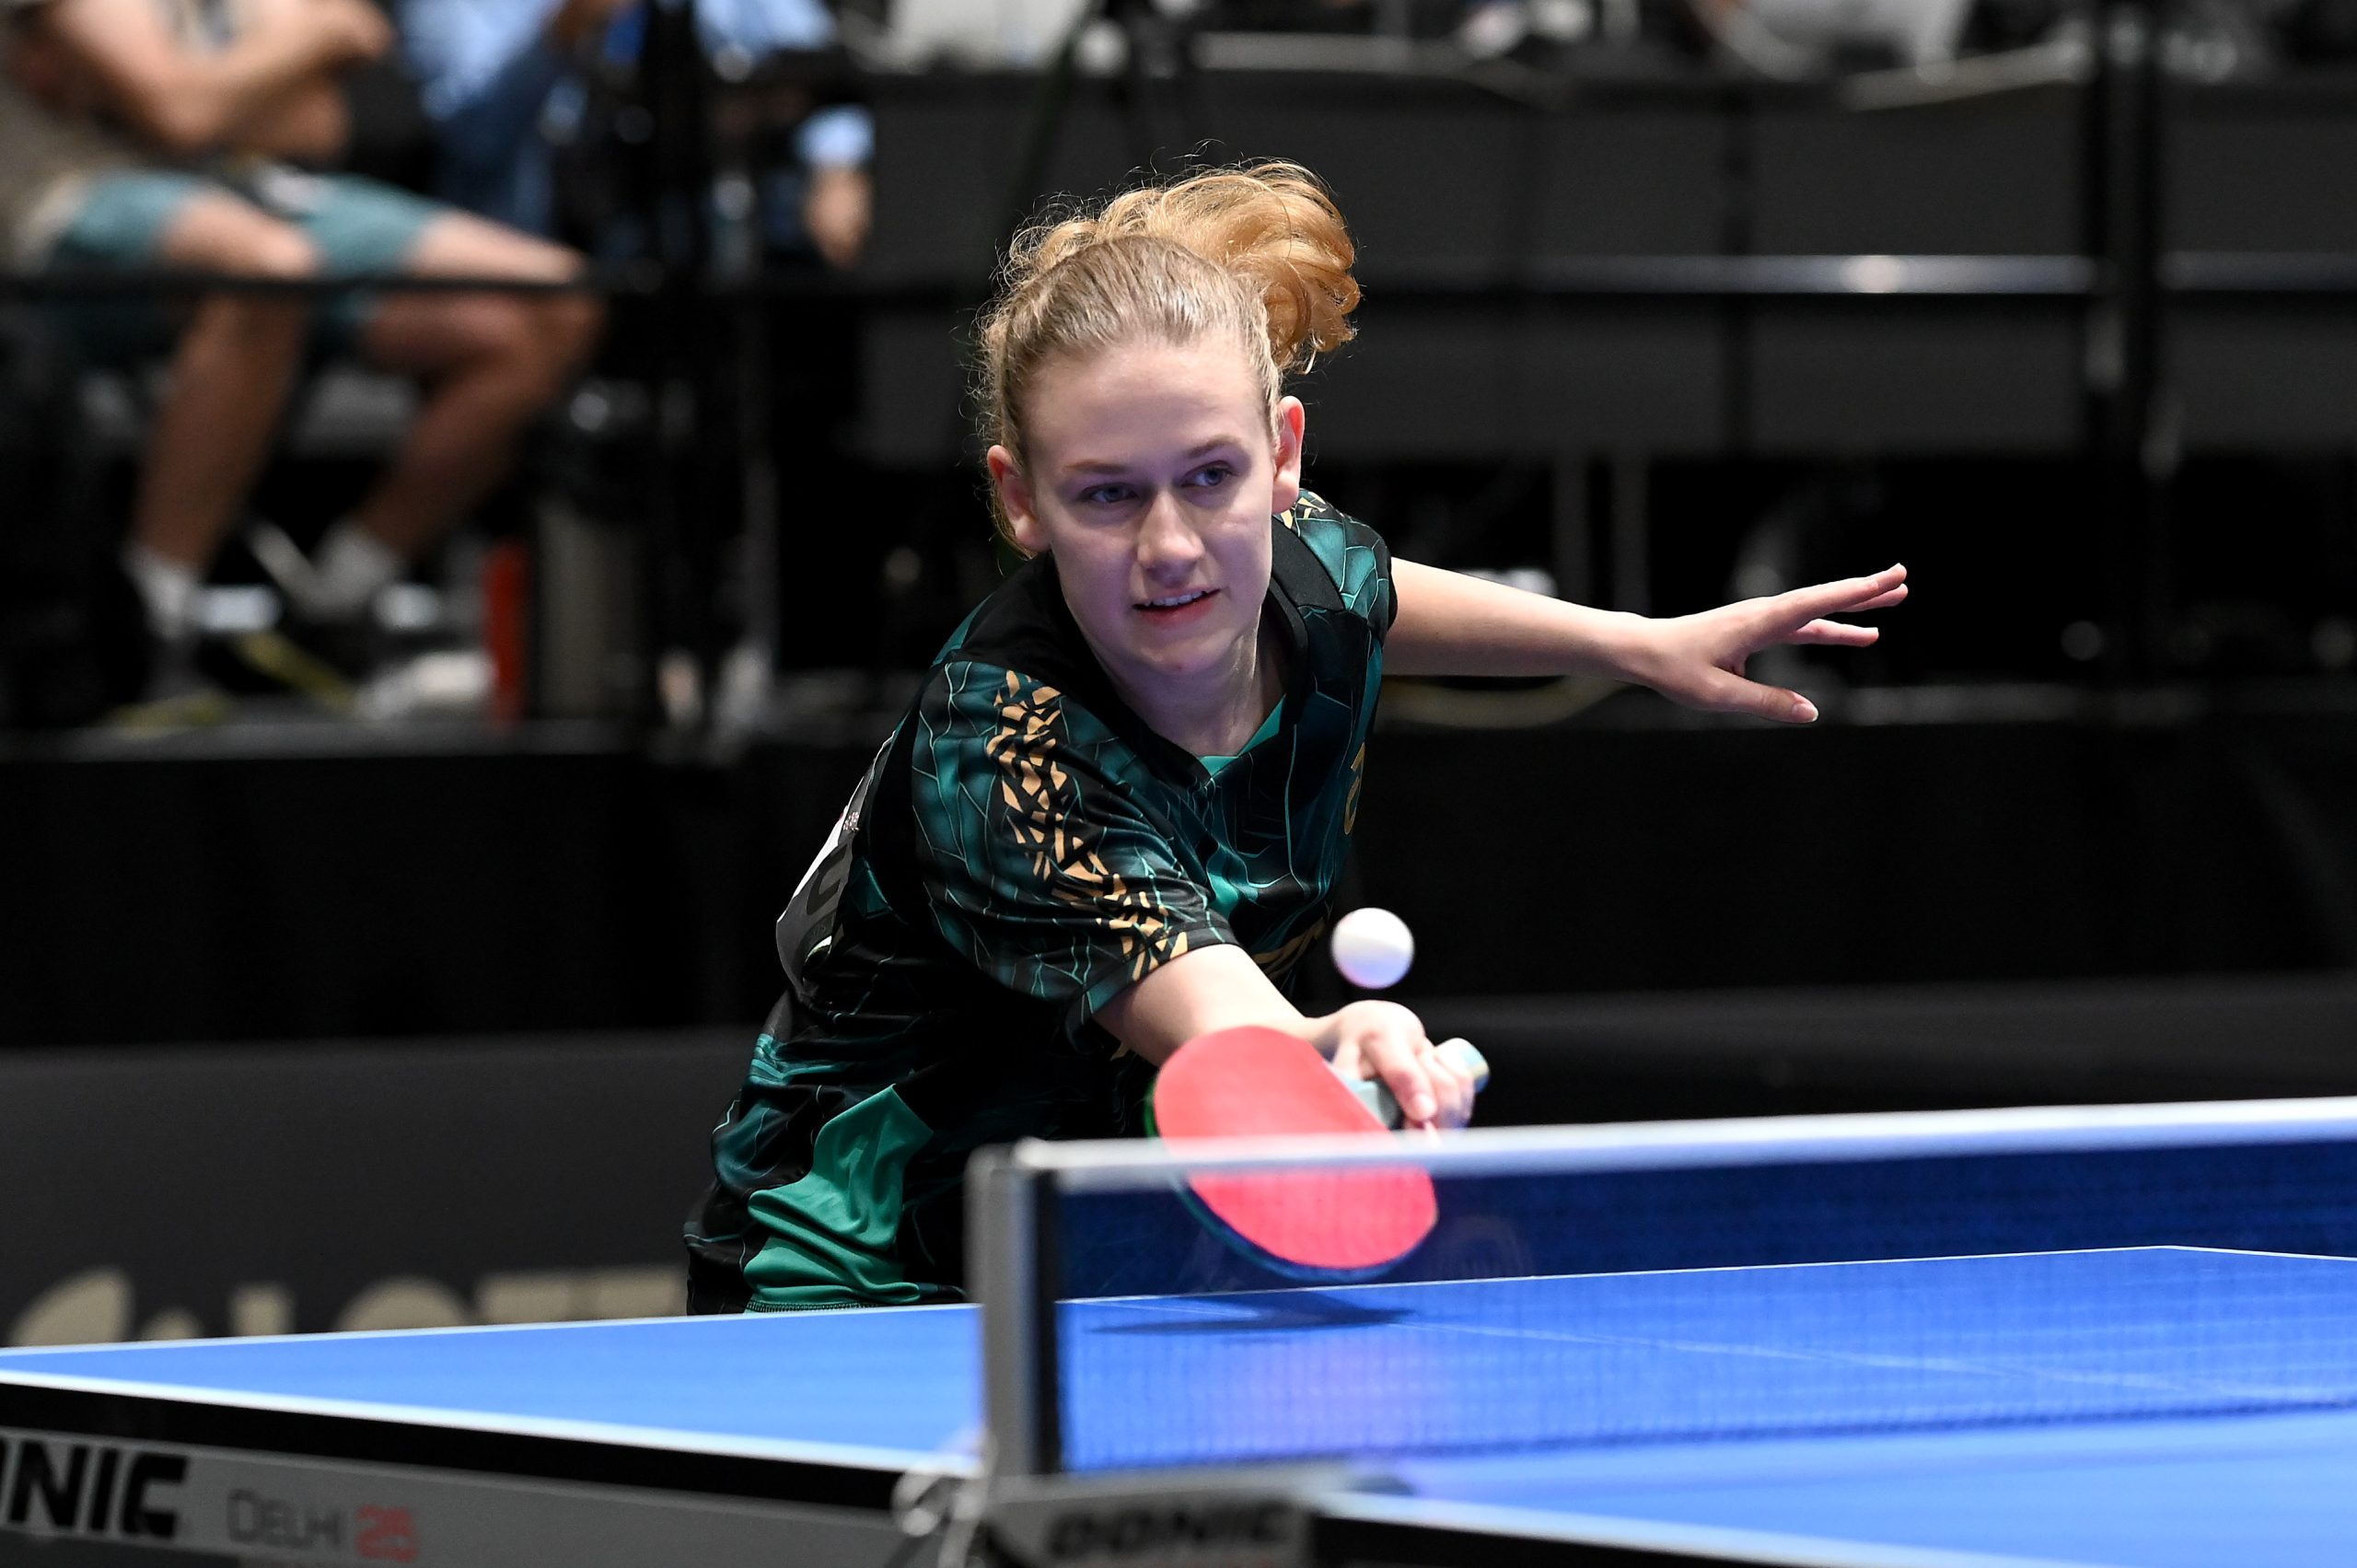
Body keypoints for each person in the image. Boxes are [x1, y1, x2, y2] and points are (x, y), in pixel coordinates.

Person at [682, 161, 1907, 1311]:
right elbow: (1218, 1023)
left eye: (1210, 475)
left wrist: (1633, 643)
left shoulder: (1295, 560)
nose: (1171, 545)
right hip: (852, 1273)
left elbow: (1368, 589)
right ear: (1020, 499)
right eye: (1107, 493)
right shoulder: (1002, 752)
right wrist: (1324, 1045)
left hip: (1088, 1241)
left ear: (1282, 456)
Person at [0, 0, 602, 687]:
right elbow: (182, 111)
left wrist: (207, 91)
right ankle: (146, 632)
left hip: (259, 196)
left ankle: (331, 606)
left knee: (555, 306)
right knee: (268, 272)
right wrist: (308, 40)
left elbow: (323, 126)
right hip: (65, 201)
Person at [399, 0, 873, 268]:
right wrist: (560, 34)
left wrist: (836, 168)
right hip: (533, 243)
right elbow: (473, 135)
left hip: (707, 242)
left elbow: (819, 66)